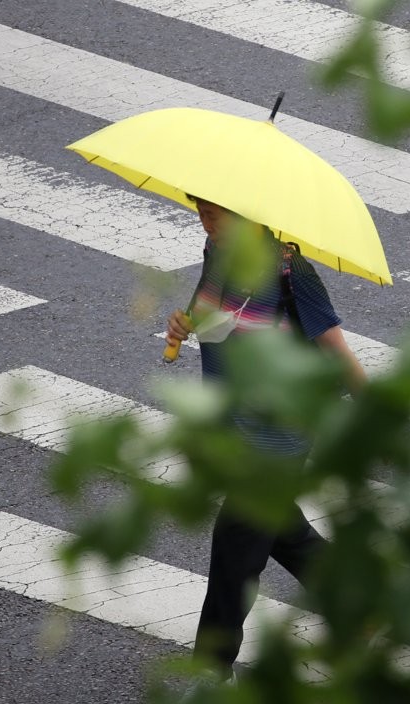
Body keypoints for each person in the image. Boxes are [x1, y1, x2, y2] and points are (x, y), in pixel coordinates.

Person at [165, 196, 367, 681]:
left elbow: (334, 347)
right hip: (233, 424)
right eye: (200, 211)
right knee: (282, 531)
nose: (204, 222)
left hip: (280, 433)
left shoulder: (291, 272)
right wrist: (183, 323)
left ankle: (211, 673)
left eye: (213, 213)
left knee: (235, 548)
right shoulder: (217, 253)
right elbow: (210, 316)